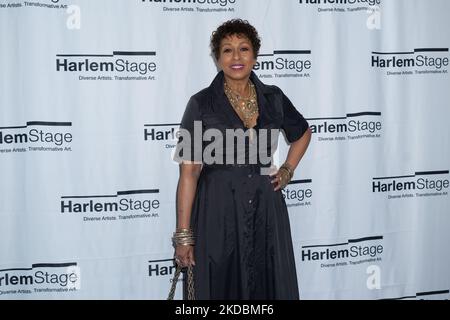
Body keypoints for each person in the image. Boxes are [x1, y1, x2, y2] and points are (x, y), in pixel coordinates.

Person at [172, 19, 311, 300]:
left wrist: (287, 170)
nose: (236, 57)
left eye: (243, 49)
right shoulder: (200, 104)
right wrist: (184, 236)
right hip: (218, 212)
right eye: (227, 50)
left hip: (266, 209)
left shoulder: (274, 97)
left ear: (255, 55)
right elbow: (189, 173)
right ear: (217, 58)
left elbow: (303, 132)